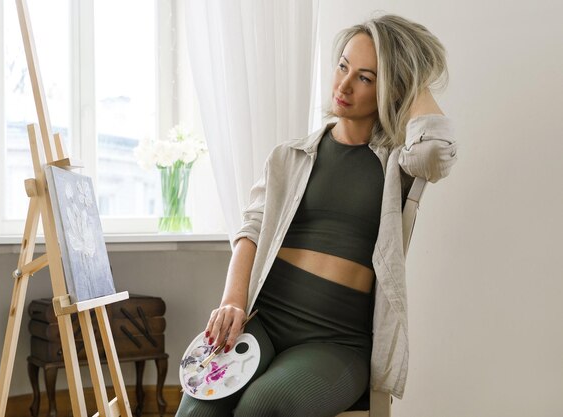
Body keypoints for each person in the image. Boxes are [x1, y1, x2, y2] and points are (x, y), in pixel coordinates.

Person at [176, 13, 458, 417]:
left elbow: (436, 150)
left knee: (264, 406)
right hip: (267, 320)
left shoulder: (397, 165)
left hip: (337, 342)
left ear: (391, 86)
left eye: (365, 77)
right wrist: (233, 302)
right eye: (343, 66)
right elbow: (251, 229)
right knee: (199, 409)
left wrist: (410, 75)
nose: (343, 85)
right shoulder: (288, 157)